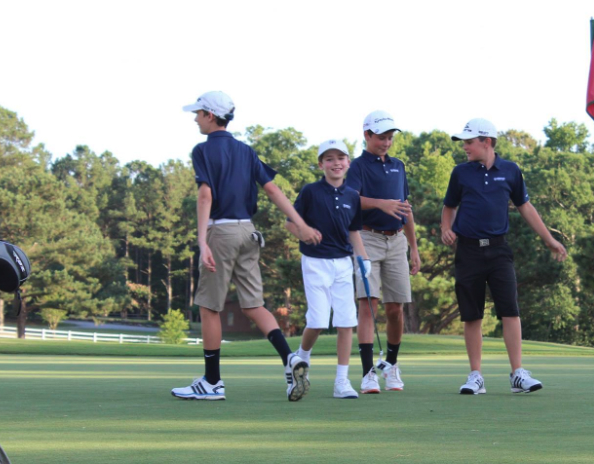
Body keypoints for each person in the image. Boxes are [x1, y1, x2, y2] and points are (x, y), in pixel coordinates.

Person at [172, 91, 321, 402]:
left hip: (221, 233)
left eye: (198, 113)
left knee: (210, 307)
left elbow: (205, 197)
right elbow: (274, 191)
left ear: (211, 116)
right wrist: (301, 224)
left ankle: (212, 382)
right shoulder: (246, 151)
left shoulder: (202, 150)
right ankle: (290, 358)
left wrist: (202, 241)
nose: (195, 118)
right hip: (249, 233)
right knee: (254, 305)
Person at [440, 118, 567, 395]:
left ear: (487, 141)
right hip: (468, 251)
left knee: (510, 310)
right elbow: (449, 206)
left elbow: (526, 207)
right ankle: (476, 376)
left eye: (469, 142)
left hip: (499, 250)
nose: (465, 147)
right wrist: (445, 228)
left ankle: (518, 375)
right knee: (471, 315)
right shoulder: (460, 173)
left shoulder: (510, 170)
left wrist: (549, 240)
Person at [286, 139, 371, 399]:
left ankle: (342, 382)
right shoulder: (311, 191)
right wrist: (305, 231)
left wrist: (363, 259)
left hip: (343, 264)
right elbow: (290, 223)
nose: (336, 163)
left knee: (347, 322)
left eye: (341, 158)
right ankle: (301, 358)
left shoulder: (352, 196)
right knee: (319, 321)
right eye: (330, 159)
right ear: (321, 163)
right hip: (315, 262)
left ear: (348, 162)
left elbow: (353, 231)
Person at [345, 110, 420, 393]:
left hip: (397, 241)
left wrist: (414, 248)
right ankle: (367, 373)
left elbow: (405, 208)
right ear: (367, 135)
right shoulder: (357, 166)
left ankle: (391, 364)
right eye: (381, 138)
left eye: (390, 138)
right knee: (368, 304)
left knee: (395, 309)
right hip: (367, 238)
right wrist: (380, 204)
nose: (386, 143)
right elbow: (350, 199)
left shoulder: (399, 166)